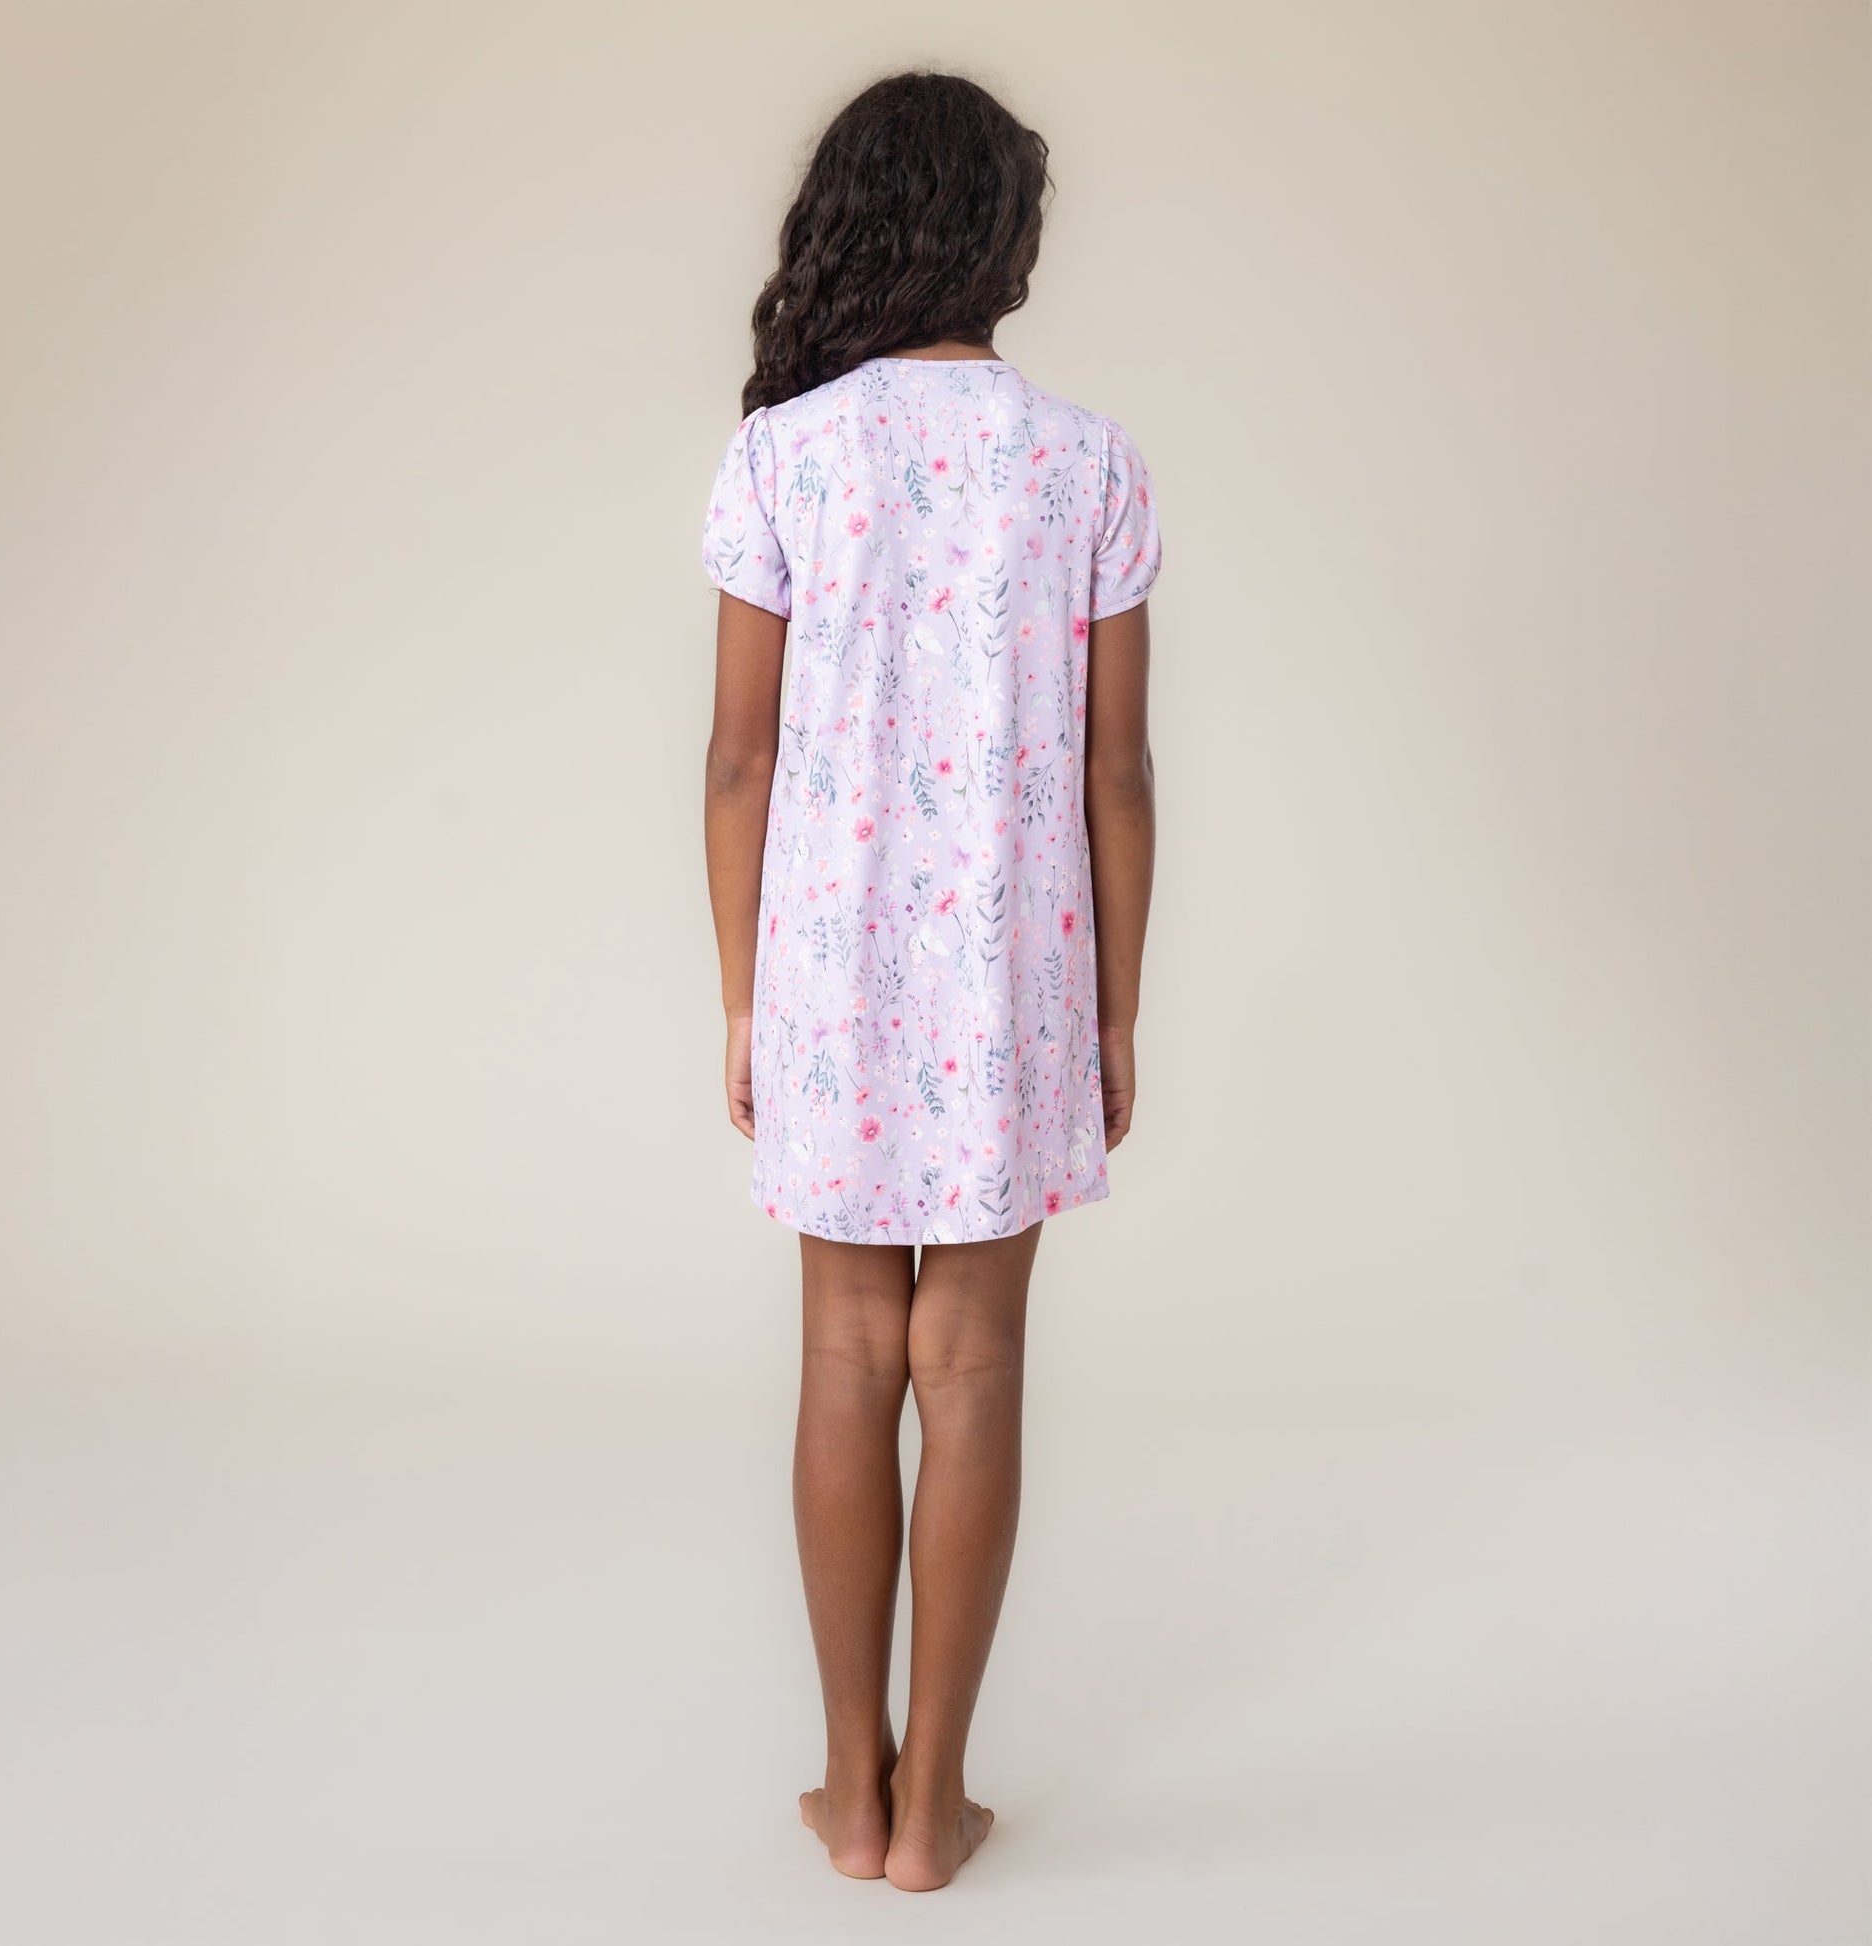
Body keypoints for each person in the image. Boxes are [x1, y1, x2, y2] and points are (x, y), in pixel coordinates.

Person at [699, 68, 1161, 1893]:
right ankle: (934, 1802)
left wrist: (741, 995)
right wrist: (1115, 1008)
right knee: (970, 1365)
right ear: (1001, 239)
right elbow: (1117, 771)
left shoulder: (781, 454)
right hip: (1013, 980)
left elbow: (737, 759)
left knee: (841, 1353)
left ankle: (848, 1783)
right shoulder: (1088, 460)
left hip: (824, 968)